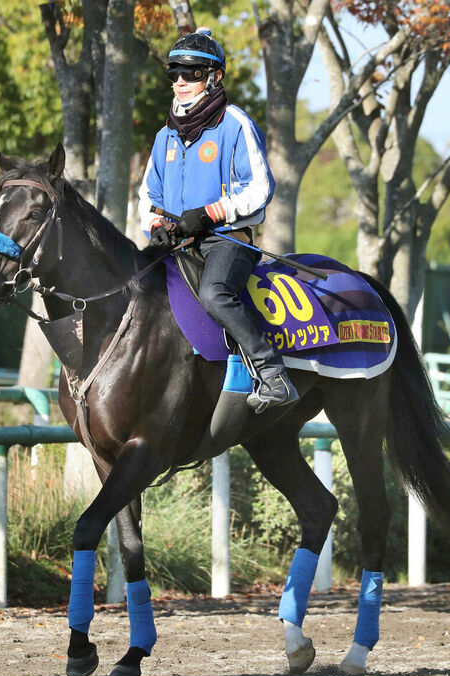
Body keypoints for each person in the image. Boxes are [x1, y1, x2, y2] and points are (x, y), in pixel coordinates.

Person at [138, 27, 298, 414]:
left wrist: (211, 213)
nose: (180, 81)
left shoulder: (235, 123)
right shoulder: (164, 137)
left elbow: (260, 188)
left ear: (214, 77)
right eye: (174, 72)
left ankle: (272, 374)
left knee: (214, 294)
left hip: (227, 241)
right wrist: (155, 226)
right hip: (176, 245)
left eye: (191, 73)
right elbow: (147, 197)